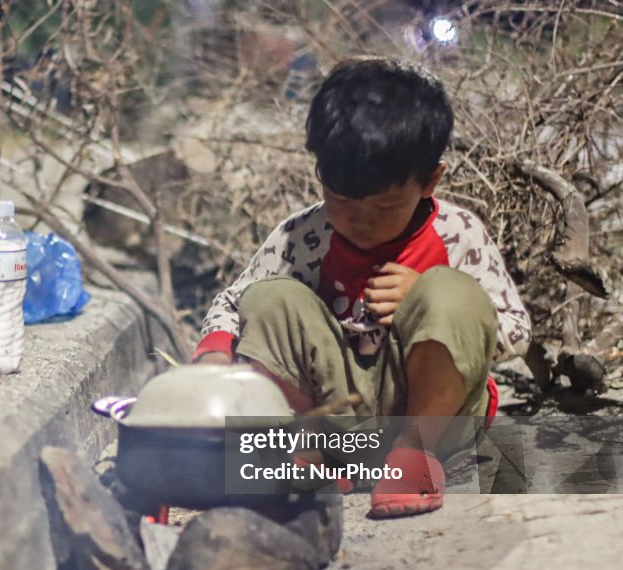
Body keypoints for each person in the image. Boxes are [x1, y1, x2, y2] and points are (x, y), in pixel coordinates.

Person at [193, 57, 531, 518]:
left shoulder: (457, 233)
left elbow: (515, 329)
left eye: (385, 205)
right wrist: (213, 359)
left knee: (452, 292)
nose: (360, 222)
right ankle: (309, 457)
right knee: (269, 298)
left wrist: (420, 301)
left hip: (437, 421)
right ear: (320, 176)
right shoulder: (304, 235)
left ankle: (413, 456)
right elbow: (233, 303)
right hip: (339, 418)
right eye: (342, 200)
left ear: (431, 180)